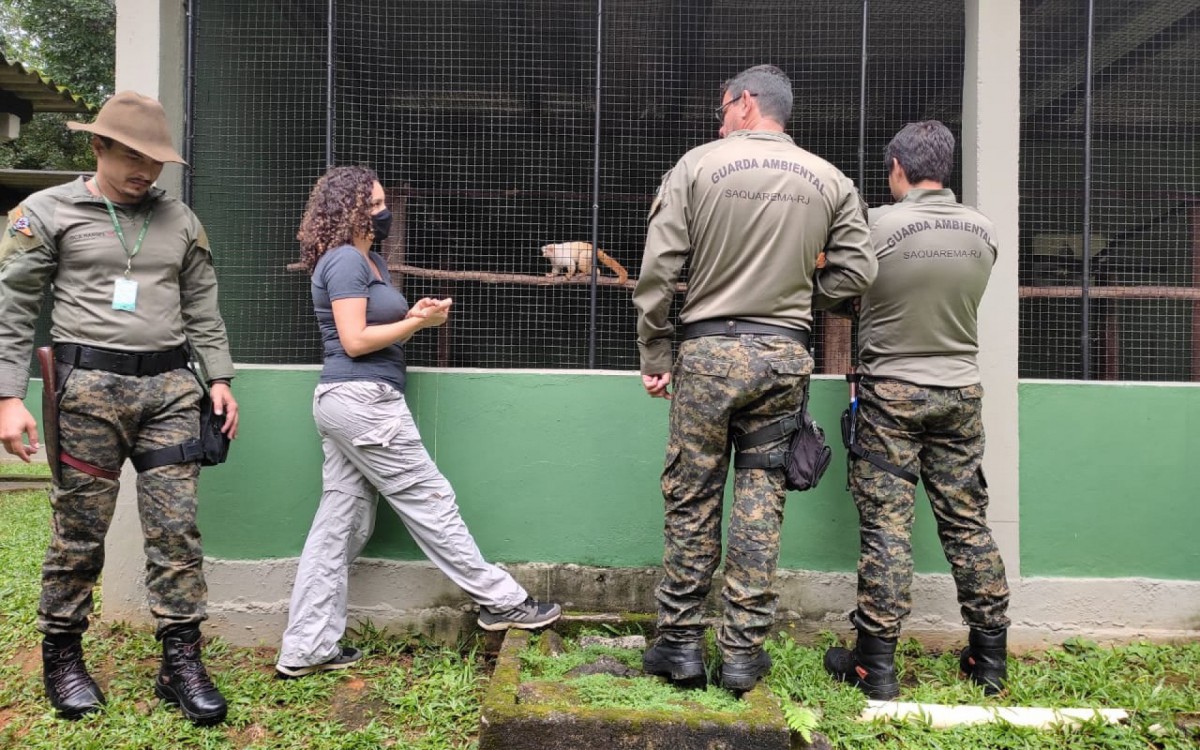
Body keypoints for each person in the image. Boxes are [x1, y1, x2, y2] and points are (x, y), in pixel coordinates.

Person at [633, 65, 877, 694]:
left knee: (692, 495)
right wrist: (799, 296)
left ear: (745, 103)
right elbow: (857, 272)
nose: (720, 124)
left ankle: (680, 646)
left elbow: (658, 270)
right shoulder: (831, 179)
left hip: (709, 355)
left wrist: (656, 351)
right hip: (784, 356)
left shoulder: (696, 165)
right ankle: (742, 654)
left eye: (723, 109)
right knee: (761, 501)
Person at [0, 91, 238, 724]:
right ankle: (62, 655)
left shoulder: (180, 218)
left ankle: (180, 662)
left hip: (171, 391)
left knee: (176, 530)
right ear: (98, 146)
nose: (146, 170)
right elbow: (13, 310)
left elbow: (202, 306)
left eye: (156, 160)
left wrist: (218, 378)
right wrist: (7, 397)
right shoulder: (45, 212)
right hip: (88, 394)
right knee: (79, 530)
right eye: (133, 156)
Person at [275, 166, 561, 678]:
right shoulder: (345, 260)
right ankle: (502, 601)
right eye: (373, 204)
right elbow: (354, 342)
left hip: (354, 402)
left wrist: (415, 319)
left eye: (382, 202)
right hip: (363, 402)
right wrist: (416, 321)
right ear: (348, 211)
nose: (382, 212)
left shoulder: (371, 261)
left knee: (339, 526)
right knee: (430, 500)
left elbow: (378, 335)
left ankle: (307, 648)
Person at [823, 120, 1010, 699]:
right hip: (961, 393)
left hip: (892, 392)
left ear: (898, 168)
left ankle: (874, 666)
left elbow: (837, 290)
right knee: (966, 520)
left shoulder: (876, 225)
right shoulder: (984, 231)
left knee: (887, 525)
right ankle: (989, 661)